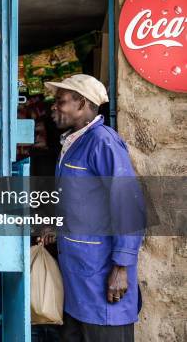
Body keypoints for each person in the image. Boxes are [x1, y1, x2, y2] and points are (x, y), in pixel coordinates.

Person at [39, 74, 144, 342]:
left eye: (60, 102)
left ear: (82, 104)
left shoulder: (103, 142)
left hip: (103, 275)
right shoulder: (74, 142)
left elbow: (128, 207)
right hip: (79, 277)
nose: (54, 107)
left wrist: (121, 267)